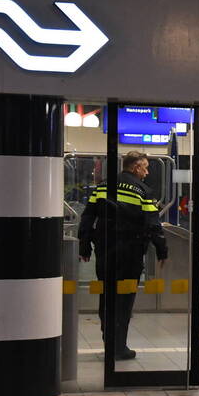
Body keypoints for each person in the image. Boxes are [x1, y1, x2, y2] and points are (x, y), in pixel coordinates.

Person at [78, 151, 168, 361]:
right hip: (130, 253)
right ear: (136, 167)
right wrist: (162, 250)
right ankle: (119, 347)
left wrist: (85, 246)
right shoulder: (143, 191)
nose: (146, 173)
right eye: (145, 168)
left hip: (104, 250)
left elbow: (88, 216)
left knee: (106, 296)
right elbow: (153, 225)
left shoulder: (102, 187)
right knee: (125, 299)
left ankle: (109, 343)